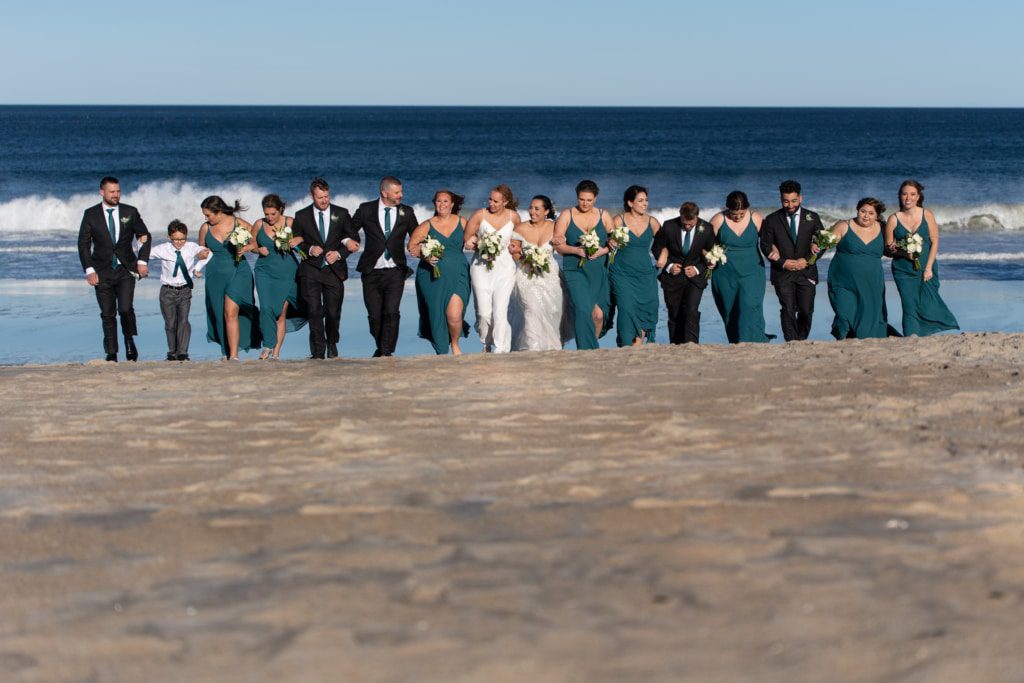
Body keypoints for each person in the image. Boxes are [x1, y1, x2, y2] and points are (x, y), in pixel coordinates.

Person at [77, 176, 151, 361]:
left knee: (125, 309)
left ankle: (129, 339)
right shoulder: (90, 214)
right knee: (107, 313)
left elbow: (144, 236)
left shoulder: (130, 212)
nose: (116, 195)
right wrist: (89, 270)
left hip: (126, 269)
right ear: (102, 192)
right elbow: (83, 244)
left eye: (118, 191)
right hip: (101, 270)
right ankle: (111, 352)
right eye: (112, 192)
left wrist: (142, 262)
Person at [349, 176, 419, 357]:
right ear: (384, 193)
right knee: (374, 316)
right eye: (397, 192)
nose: (401, 195)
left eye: (401, 191)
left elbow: (418, 236)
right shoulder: (366, 210)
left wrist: (421, 248)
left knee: (391, 312)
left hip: (396, 270)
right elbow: (349, 230)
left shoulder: (407, 212)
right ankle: (382, 346)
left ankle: (386, 351)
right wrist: (349, 242)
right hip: (371, 271)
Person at [290, 178, 357, 359]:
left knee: (333, 313)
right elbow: (295, 242)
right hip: (310, 270)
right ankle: (317, 352)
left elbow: (353, 240)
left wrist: (339, 254)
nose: (324, 200)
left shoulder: (341, 214)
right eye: (320, 197)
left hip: (334, 271)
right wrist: (309, 249)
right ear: (312, 196)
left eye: (326, 196)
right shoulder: (301, 216)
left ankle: (332, 342)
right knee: (314, 311)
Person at [884, 179, 959, 336]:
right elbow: (889, 248)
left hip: (926, 266)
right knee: (909, 305)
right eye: (904, 194)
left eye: (912, 194)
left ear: (918, 196)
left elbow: (935, 240)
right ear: (900, 196)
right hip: (903, 270)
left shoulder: (927, 214)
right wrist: (904, 252)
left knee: (927, 302)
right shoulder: (893, 219)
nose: (908, 198)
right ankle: (911, 336)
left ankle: (924, 333)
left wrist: (929, 267)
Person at [760, 180, 825, 341]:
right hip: (782, 273)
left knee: (806, 310)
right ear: (781, 199)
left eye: (794, 201)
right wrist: (782, 262)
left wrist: (808, 260)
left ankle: (801, 340)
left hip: (807, 271)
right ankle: (792, 342)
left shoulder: (813, 218)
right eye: (786, 201)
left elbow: (823, 243)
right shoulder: (772, 219)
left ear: (800, 198)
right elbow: (765, 246)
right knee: (788, 308)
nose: (790, 205)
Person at [198, 196, 261, 360]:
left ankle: (233, 356)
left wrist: (248, 247)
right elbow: (199, 252)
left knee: (230, 311)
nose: (206, 218)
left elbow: (257, 243)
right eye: (204, 215)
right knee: (221, 314)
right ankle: (227, 352)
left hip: (238, 271)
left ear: (218, 212)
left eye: (208, 215)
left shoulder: (238, 223)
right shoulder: (205, 228)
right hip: (215, 276)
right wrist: (200, 255)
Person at [409, 190, 472, 355]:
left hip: (459, 274)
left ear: (452, 204)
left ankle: (455, 343)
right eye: (438, 201)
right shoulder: (427, 225)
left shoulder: (463, 222)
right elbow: (412, 246)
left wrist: (474, 242)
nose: (442, 204)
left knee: (454, 316)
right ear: (434, 203)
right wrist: (425, 255)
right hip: (431, 278)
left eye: (445, 201)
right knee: (436, 316)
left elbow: (474, 239)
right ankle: (441, 351)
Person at [553, 179, 613, 350]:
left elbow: (615, 239)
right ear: (577, 197)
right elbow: (558, 245)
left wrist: (602, 251)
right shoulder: (567, 215)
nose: (585, 203)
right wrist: (576, 250)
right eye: (581, 199)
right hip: (575, 270)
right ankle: (586, 350)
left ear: (595, 199)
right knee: (582, 310)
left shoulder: (604, 215)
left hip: (598, 272)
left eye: (589, 200)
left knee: (598, 315)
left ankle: (592, 346)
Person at [509, 195, 572, 351]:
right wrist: (526, 259)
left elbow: (562, 250)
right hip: (526, 275)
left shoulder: (555, 227)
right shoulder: (520, 228)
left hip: (550, 275)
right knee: (531, 310)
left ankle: (552, 347)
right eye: (531, 208)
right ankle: (532, 348)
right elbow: (514, 252)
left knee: (553, 311)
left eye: (537, 208)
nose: (532, 212)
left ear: (546, 211)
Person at [464, 185, 521, 353]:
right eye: (490, 199)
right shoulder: (479, 215)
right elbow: (467, 239)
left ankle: (501, 348)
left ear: (506, 202)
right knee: (483, 312)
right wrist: (473, 243)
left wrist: (516, 249)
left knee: (500, 311)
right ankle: (485, 342)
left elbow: (519, 241)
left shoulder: (514, 217)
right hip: (481, 267)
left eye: (496, 201)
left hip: (505, 268)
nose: (491, 203)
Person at [651, 201, 715, 344]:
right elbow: (657, 248)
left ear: (697, 217)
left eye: (691, 224)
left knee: (691, 311)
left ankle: (691, 345)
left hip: (695, 278)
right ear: (680, 216)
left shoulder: (707, 229)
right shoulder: (668, 226)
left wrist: (698, 269)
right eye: (684, 223)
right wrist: (669, 266)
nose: (687, 226)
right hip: (672, 278)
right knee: (674, 313)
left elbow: (713, 255)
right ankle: (676, 345)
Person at [710, 191, 769, 343]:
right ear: (727, 208)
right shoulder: (718, 220)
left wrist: (777, 253)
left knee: (750, 305)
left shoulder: (755, 218)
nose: (738, 217)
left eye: (742, 213)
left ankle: (754, 341)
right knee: (730, 310)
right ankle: (737, 343)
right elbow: (705, 244)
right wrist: (710, 258)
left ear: (748, 208)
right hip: (725, 273)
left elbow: (768, 242)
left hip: (752, 271)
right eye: (734, 213)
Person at [251, 194, 306, 360]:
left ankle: (275, 353)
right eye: (266, 213)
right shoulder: (259, 224)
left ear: (280, 210)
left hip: (287, 272)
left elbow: (305, 237)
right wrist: (258, 250)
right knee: (266, 308)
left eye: (273, 214)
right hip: (264, 272)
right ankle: (268, 344)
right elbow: (252, 244)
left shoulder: (290, 222)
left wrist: (297, 239)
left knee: (281, 313)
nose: (269, 217)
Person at [147, 220, 210, 361]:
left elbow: (207, 253)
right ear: (169, 237)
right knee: (170, 323)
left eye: (182, 239)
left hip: (185, 290)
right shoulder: (163, 248)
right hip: (167, 291)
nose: (179, 242)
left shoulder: (191, 247)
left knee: (183, 321)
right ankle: (172, 351)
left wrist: (198, 267)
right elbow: (144, 254)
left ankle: (183, 352)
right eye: (176, 239)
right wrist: (141, 245)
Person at [827, 198, 890, 339]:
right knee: (844, 314)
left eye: (871, 213)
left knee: (867, 321)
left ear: (877, 215)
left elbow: (892, 250)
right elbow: (825, 243)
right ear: (857, 210)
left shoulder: (883, 229)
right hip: (843, 282)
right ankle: (842, 338)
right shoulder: (844, 225)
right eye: (863, 211)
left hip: (872, 283)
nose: (866, 216)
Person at [609, 185, 660, 346]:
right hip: (621, 273)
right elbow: (608, 241)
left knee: (646, 309)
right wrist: (610, 241)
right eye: (640, 200)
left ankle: (637, 344)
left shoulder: (653, 222)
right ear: (630, 203)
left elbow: (664, 244)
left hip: (645, 273)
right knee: (626, 309)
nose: (645, 204)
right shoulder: (619, 220)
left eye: (646, 200)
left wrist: (663, 257)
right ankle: (626, 344)